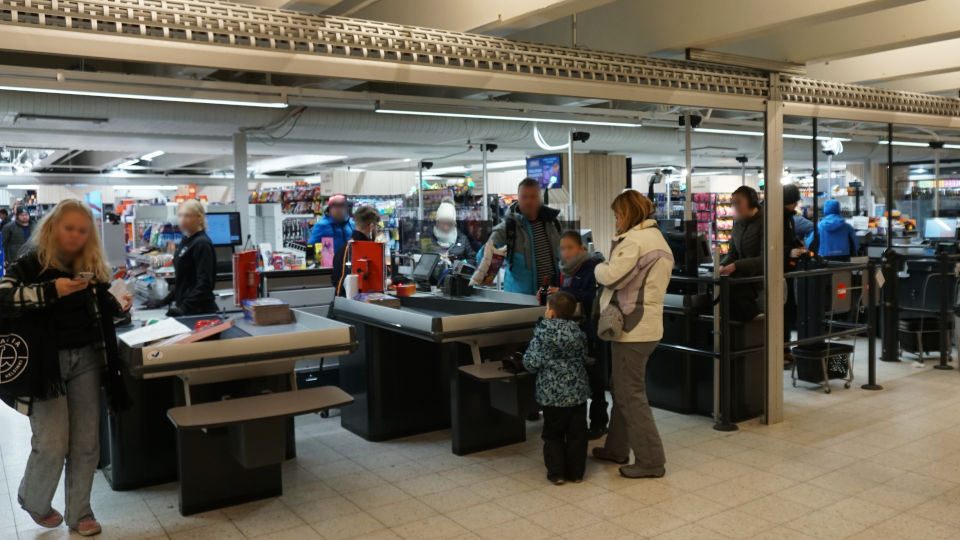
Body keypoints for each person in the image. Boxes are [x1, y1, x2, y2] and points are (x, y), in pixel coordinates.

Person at [0, 199, 132, 537]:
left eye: (82, 230)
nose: (75, 235)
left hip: (88, 359)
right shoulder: (31, 263)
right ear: (52, 228)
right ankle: (34, 499)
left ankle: (80, 512)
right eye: (69, 228)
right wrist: (51, 291)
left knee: (87, 441)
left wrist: (118, 306)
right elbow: (4, 298)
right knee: (53, 441)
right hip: (46, 366)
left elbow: (101, 311)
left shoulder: (90, 266)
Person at [592, 190, 673, 479]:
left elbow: (612, 276)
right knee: (622, 389)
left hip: (632, 329)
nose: (616, 222)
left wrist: (597, 265)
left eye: (617, 216)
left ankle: (651, 461)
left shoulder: (636, 241)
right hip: (647, 326)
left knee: (630, 395)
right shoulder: (656, 238)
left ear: (628, 213)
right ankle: (616, 448)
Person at [522, 291, 591, 485]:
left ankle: (557, 473)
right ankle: (576, 473)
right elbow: (584, 357)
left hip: (552, 396)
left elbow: (531, 363)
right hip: (577, 393)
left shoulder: (542, 334)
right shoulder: (579, 332)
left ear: (551, 313)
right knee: (577, 435)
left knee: (553, 435)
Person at [549, 230, 607, 439]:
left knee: (595, 380)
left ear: (581, 249)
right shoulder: (562, 271)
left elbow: (592, 297)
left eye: (570, 248)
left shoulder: (592, 269)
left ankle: (599, 423)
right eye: (562, 248)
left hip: (589, 332)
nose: (565, 253)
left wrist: (563, 294)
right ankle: (576, 423)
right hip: (568, 335)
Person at [481, 178, 562, 295]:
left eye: (533, 197)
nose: (529, 201)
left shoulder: (553, 224)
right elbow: (484, 262)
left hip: (552, 298)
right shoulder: (507, 229)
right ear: (518, 199)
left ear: (539, 198)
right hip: (521, 300)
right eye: (524, 197)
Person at [145, 200, 217, 315]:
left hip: (200, 311)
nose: (182, 220)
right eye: (180, 215)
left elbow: (205, 284)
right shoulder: (186, 240)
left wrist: (184, 308)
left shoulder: (201, 244)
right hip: (187, 309)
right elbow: (183, 282)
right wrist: (163, 301)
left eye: (188, 216)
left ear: (200, 218)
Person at [718, 186, 764, 322]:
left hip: (758, 281)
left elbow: (766, 259)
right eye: (733, 203)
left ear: (752, 202)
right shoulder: (738, 224)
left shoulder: (766, 223)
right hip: (741, 279)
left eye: (738, 202)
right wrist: (722, 265)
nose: (735, 207)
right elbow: (732, 252)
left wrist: (736, 266)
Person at [332, 205, 380, 297]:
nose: (377, 230)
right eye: (377, 226)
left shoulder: (342, 250)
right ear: (371, 227)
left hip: (340, 302)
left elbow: (335, 281)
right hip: (361, 303)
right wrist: (391, 280)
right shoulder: (369, 251)